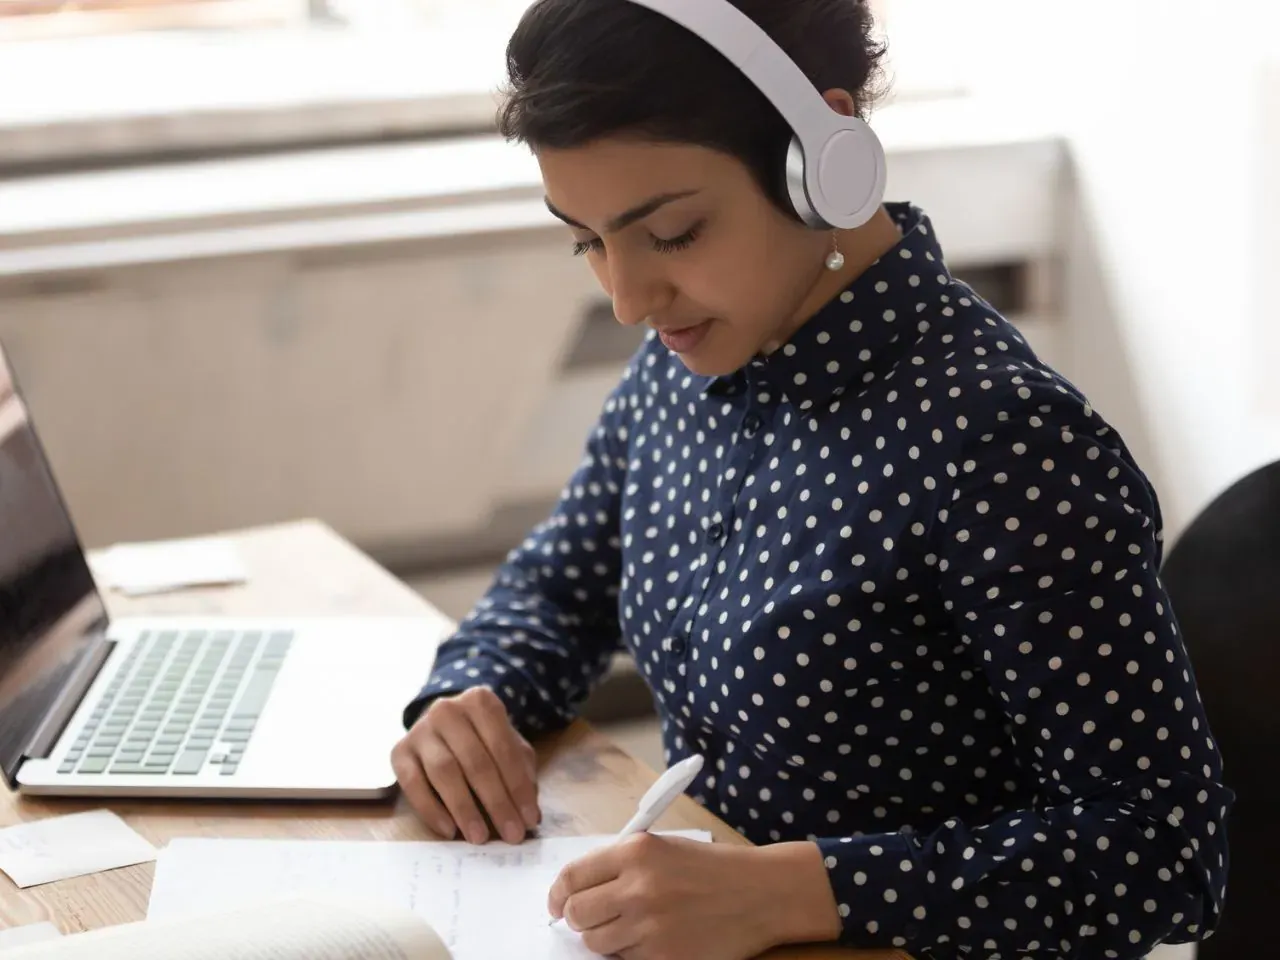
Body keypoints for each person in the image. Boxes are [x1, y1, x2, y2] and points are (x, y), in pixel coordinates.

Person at [390, 1, 1232, 957]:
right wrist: (472, 696)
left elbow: (1164, 851)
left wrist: (801, 890)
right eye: (586, 241)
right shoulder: (681, 366)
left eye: (670, 234)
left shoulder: (1006, 443)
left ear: (820, 159)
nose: (626, 299)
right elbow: (559, 583)